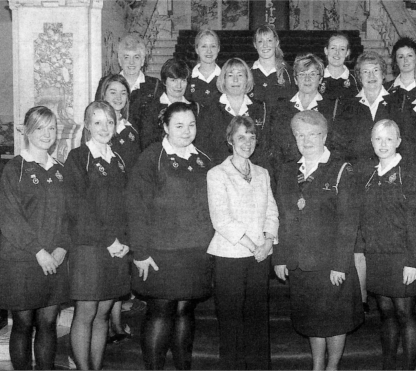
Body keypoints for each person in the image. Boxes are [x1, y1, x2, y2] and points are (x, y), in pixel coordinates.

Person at [274, 110, 364, 371]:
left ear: (324, 136)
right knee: (313, 320)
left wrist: (340, 264)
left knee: (335, 321)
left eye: (313, 134)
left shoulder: (341, 170)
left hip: (330, 264)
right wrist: (280, 257)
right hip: (300, 262)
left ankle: (332, 367)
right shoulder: (288, 171)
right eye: (300, 134)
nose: (306, 139)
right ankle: (316, 366)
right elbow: (282, 217)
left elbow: (349, 223)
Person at [128, 102, 214, 370]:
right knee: (161, 312)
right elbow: (136, 205)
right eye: (179, 125)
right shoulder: (152, 156)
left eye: (191, 124)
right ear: (165, 127)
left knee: (185, 311)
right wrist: (140, 252)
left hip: (196, 253)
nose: (186, 131)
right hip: (160, 253)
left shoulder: (204, 159)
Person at [0, 106, 70, 370]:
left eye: (51, 128)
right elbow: (10, 219)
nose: (46, 133)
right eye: (40, 127)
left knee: (48, 323)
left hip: (55, 260)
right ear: (27, 131)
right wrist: (39, 252)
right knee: (23, 325)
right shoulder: (14, 169)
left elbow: (69, 216)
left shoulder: (61, 171)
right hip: (22, 261)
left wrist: (63, 246)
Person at [207, 116, 279, 369]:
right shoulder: (217, 174)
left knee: (258, 322)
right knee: (231, 324)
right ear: (230, 140)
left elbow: (272, 211)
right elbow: (221, 219)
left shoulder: (262, 173)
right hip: (230, 257)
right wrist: (254, 246)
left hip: (260, 257)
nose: (247, 142)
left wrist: (268, 242)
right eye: (241, 137)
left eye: (251, 137)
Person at [65, 101, 131, 370]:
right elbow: (79, 208)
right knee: (87, 312)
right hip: (90, 248)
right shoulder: (78, 157)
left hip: (116, 249)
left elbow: (126, 205)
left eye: (110, 122)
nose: (104, 128)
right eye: (98, 122)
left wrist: (126, 242)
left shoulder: (118, 159)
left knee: (104, 313)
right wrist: (109, 241)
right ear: (87, 126)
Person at [355, 119, 416, 369]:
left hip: (402, 257)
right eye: (378, 139)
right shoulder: (370, 174)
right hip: (377, 256)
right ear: (371, 142)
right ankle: (388, 365)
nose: (383, 144)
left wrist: (412, 261)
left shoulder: (408, 173)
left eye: (388, 139)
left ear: (399, 142)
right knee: (385, 313)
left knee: (405, 314)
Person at [95, 73, 140, 344]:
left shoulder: (131, 129)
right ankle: (106, 324)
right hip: (104, 208)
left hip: (126, 206)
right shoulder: (97, 126)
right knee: (106, 267)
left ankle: (116, 322)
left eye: (123, 93)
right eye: (113, 92)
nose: (118, 98)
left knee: (120, 267)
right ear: (103, 94)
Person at [332, 51, 416, 167]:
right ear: (359, 77)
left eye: (375, 70)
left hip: (392, 172)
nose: (371, 76)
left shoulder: (399, 102)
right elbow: (339, 145)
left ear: (383, 74)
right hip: (356, 175)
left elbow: (409, 142)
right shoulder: (347, 106)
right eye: (366, 72)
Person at [270, 53, 340, 177]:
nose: (307, 79)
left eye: (313, 74)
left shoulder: (332, 108)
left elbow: (335, 149)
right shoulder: (280, 108)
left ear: (320, 79)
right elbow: (275, 151)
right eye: (302, 74)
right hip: (287, 178)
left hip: (322, 178)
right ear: (296, 79)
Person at [196, 58, 268, 167]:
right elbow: (203, 148)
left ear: (247, 79)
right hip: (220, 175)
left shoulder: (261, 109)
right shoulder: (209, 109)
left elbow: (265, 148)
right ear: (223, 79)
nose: (235, 80)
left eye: (240, 75)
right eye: (230, 75)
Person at [140, 58, 193, 150]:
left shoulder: (194, 108)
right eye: (173, 80)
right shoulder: (151, 109)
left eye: (183, 80)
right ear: (164, 82)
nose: (179, 86)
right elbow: (147, 143)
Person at [117, 34, 163, 136]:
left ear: (142, 61)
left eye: (136, 57)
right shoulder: (109, 84)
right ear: (120, 61)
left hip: (146, 148)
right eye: (126, 57)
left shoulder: (155, 86)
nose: (131, 62)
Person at [249, 24, 294, 108]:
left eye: (269, 40)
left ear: (276, 42)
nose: (265, 45)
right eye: (260, 41)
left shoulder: (288, 72)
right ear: (255, 45)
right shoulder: (247, 71)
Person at [185, 29, 222, 108]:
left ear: (218, 48)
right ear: (197, 49)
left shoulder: (225, 77)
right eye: (204, 46)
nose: (209, 51)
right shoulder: (188, 78)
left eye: (213, 46)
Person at [320, 33, 360, 101]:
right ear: (326, 51)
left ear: (347, 52)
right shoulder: (317, 78)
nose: (337, 53)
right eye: (333, 48)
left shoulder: (356, 80)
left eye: (342, 49)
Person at [385, 37, 416, 111]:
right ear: (396, 61)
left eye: (409, 56)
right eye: (401, 57)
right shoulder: (386, 89)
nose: (405, 60)